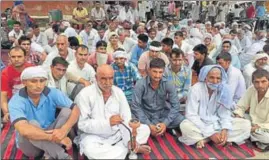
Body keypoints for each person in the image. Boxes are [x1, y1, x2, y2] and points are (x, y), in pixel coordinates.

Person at [74, 64, 151, 159]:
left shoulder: (118, 92)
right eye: (103, 78)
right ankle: (128, 149)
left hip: (117, 133)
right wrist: (107, 123)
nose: (108, 82)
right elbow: (82, 124)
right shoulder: (85, 95)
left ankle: (126, 147)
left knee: (145, 129)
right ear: (96, 77)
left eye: (110, 78)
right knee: (90, 150)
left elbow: (126, 119)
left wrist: (128, 140)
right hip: (94, 137)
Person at [8, 66, 80, 159]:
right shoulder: (16, 100)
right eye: (33, 81)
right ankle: (63, 156)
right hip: (31, 145)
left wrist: (64, 130)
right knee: (32, 124)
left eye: (42, 81)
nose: (39, 85)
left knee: (67, 111)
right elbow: (24, 130)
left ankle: (49, 155)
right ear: (24, 82)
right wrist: (55, 138)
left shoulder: (52, 92)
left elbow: (76, 109)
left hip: (52, 134)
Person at [179, 65, 251, 148]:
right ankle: (217, 139)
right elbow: (191, 115)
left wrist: (225, 129)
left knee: (246, 125)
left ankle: (207, 140)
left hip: (217, 123)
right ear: (205, 77)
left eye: (218, 78)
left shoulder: (224, 90)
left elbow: (224, 114)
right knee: (185, 126)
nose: (215, 81)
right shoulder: (195, 89)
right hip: (199, 123)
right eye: (211, 77)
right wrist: (210, 133)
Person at [132, 58, 185, 136]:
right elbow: (135, 106)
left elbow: (176, 106)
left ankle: (159, 127)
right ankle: (155, 128)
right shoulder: (140, 84)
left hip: (161, 114)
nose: (157, 75)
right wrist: (149, 124)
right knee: (131, 119)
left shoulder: (168, 83)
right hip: (145, 114)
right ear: (149, 70)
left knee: (181, 119)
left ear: (163, 71)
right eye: (155, 71)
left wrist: (165, 123)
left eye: (160, 72)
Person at [234, 69, 269, 150]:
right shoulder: (251, 89)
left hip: (264, 127)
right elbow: (241, 106)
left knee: (266, 137)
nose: (260, 85)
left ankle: (245, 134)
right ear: (253, 82)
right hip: (250, 121)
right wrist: (238, 116)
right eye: (256, 82)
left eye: (264, 81)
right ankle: (250, 136)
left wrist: (258, 127)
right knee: (231, 117)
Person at [1, 47, 33, 123]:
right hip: (13, 102)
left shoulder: (32, 69)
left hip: (32, 100)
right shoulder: (5, 73)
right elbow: (3, 97)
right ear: (9, 58)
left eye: (19, 56)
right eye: (13, 57)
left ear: (25, 57)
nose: (16, 59)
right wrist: (6, 113)